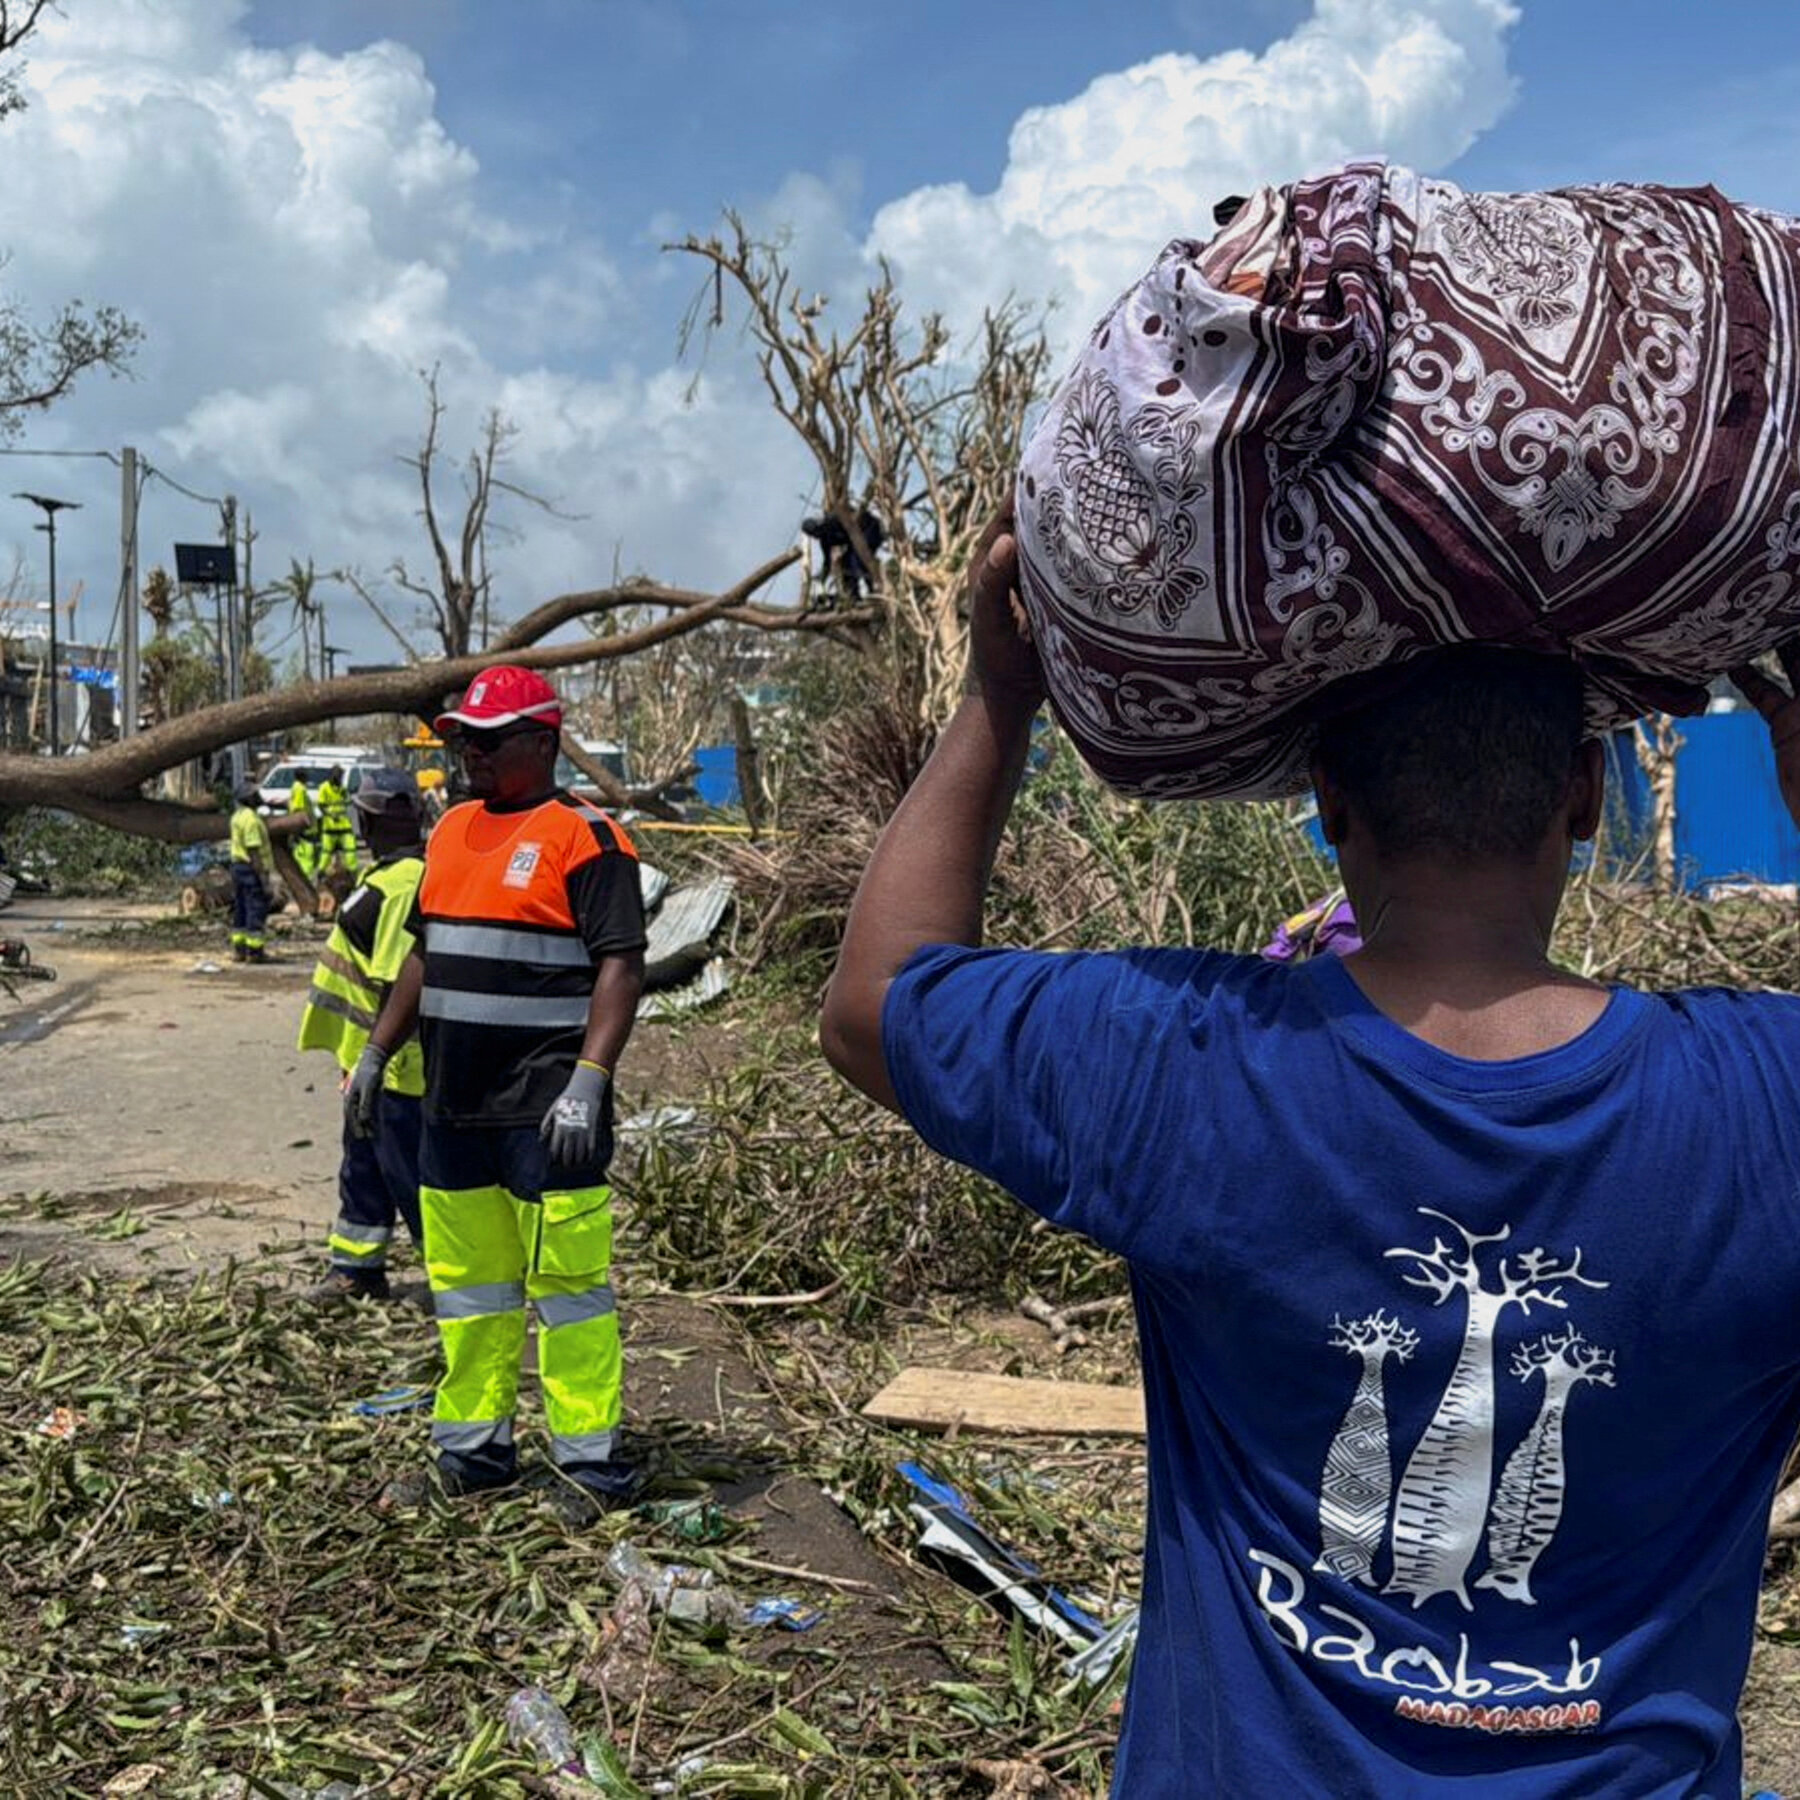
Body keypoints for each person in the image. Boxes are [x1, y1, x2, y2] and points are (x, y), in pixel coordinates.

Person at [820, 506, 1800, 1798]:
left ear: (1326, 803)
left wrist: (1002, 698)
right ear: (1582, 797)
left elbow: (875, 1001)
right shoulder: (1766, 1099)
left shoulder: (1185, 1060)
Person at [351, 665, 647, 1510]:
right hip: (454, 1108)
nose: (469, 755)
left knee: (569, 1294)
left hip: (546, 1112)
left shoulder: (587, 839)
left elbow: (621, 965)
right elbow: (421, 955)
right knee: (471, 1293)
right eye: (461, 740)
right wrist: (377, 1051)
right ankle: (475, 1454)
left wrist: (590, 1081)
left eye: (487, 741)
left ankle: (591, 1464)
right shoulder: (450, 834)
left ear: (543, 743)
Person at [297, 770, 429, 1303]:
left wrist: (377, 1058)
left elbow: (399, 980)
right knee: (364, 1167)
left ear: (368, 820)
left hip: (398, 1070)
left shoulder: (403, 886)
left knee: (411, 1175)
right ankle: (357, 1269)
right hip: (370, 1064)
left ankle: (452, 1279)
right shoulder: (388, 879)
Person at [226, 779, 274, 964]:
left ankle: (239, 949)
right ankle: (255, 951)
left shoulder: (236, 816)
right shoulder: (252, 820)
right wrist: (264, 878)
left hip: (237, 867)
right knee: (256, 907)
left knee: (241, 908)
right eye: (254, 794)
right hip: (250, 869)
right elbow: (253, 850)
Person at [315, 765, 359, 885]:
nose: (339, 779)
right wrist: (330, 814)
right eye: (338, 776)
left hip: (344, 825)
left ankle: (353, 874)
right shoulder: (324, 788)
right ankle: (320, 874)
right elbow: (321, 805)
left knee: (351, 850)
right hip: (330, 826)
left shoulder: (342, 788)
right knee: (326, 852)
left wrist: (350, 800)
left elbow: (346, 800)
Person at [288, 771, 320, 882]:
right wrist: (303, 825)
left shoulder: (295, 787)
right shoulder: (300, 789)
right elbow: (299, 809)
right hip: (305, 830)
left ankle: (301, 878)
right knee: (307, 856)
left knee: (301, 854)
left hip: (303, 829)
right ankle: (306, 879)